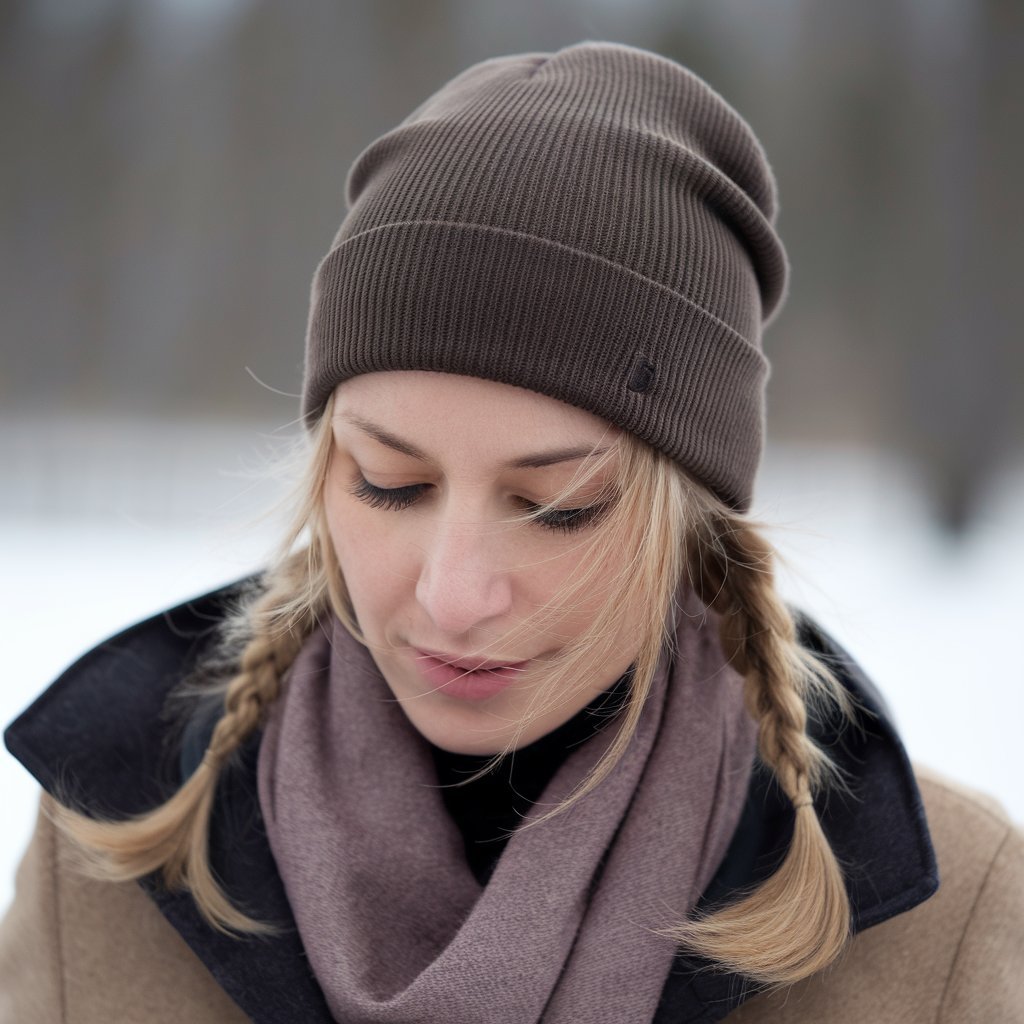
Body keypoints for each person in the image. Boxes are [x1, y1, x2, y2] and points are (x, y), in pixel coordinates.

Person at [1, 40, 1020, 1024]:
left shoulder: (945, 922)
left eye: (557, 505)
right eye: (390, 483)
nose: (453, 591)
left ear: (692, 520)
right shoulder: (109, 849)